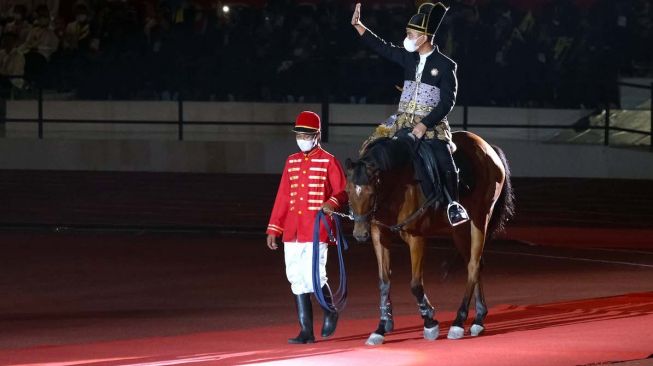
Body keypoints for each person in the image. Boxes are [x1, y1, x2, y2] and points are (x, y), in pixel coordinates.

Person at [351, 2, 469, 226]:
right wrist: (359, 26)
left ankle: (454, 205)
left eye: (411, 33)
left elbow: (448, 102)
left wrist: (425, 124)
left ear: (424, 37)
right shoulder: (408, 58)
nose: (407, 37)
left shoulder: (445, 66)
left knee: (445, 160)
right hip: (402, 120)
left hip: (431, 125)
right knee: (371, 145)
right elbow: (382, 47)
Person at [266, 111, 348, 344]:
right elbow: (283, 197)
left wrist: (331, 202)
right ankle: (306, 331)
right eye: (299, 134)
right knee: (295, 277)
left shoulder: (329, 160)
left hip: (316, 228)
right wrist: (274, 228)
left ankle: (330, 309)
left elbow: (342, 190)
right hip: (292, 229)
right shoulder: (291, 161)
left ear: (317, 135)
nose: (302, 138)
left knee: (315, 277)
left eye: (306, 134)